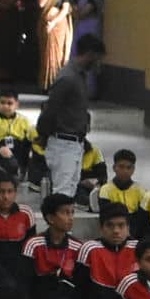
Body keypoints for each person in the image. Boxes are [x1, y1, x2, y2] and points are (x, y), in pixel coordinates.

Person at [39, 40, 100, 198]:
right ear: (89, 54)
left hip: (74, 143)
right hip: (63, 143)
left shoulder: (80, 76)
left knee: (70, 191)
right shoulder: (68, 78)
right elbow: (51, 109)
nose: (98, 63)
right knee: (62, 193)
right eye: (97, 58)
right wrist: (43, 134)